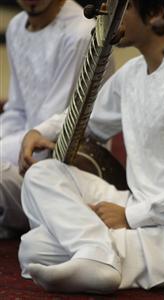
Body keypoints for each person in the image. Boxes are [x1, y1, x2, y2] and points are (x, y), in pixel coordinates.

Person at [17, 0, 164, 294]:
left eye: (121, 8)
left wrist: (129, 217)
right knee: (41, 180)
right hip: (133, 204)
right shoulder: (132, 73)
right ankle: (97, 253)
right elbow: (88, 120)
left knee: (37, 250)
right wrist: (40, 131)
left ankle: (96, 254)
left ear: (156, 12)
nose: (109, 16)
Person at [0, 0, 94, 237]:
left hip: (65, 165)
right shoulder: (16, 26)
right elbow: (16, 111)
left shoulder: (81, 32)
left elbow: (51, 129)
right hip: (21, 156)